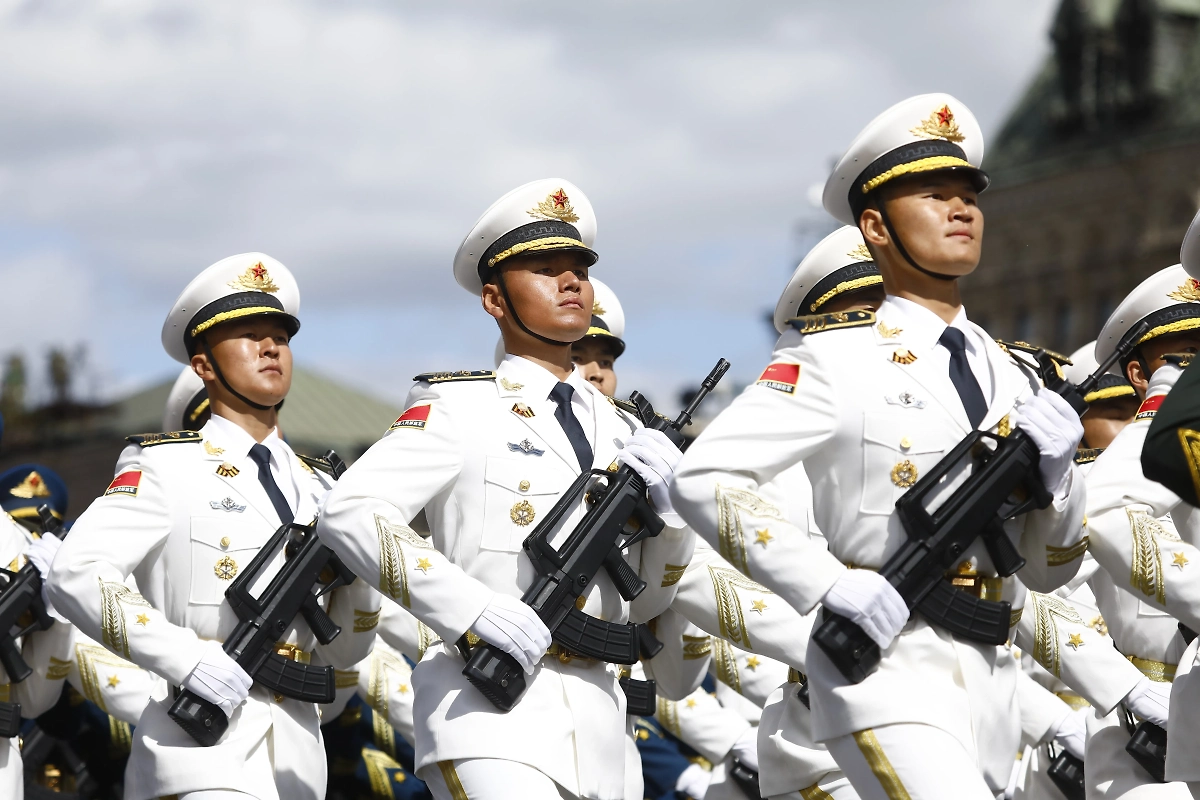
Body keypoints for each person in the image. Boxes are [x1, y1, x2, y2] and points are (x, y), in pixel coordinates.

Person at [670, 94, 1088, 799]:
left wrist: (1060, 482)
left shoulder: (1017, 376)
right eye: (934, 196)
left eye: (968, 197)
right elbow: (704, 477)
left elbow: (1050, 570)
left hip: (993, 679)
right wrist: (827, 585)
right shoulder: (833, 357)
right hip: (882, 666)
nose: (961, 210)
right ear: (876, 226)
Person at [316, 179, 693, 800]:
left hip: (604, 731)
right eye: (546, 270)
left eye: (579, 271)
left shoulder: (626, 432)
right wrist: (471, 611)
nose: (571, 283)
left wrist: (674, 517)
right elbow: (350, 511)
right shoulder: (458, 406)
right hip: (486, 714)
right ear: (495, 299)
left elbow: (648, 599)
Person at [46, 253, 379, 800]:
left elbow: (346, 654)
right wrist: (187, 659)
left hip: (297, 756)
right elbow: (75, 573)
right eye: (250, 336)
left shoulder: (326, 488)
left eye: (281, 337)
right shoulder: (164, 466)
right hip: (199, 752)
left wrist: (360, 578)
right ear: (203, 366)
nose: (271, 348)